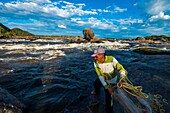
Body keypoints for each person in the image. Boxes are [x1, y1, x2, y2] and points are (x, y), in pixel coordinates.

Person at [91, 47, 127, 113]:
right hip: (102, 78)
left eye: (96, 56)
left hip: (112, 81)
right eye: (94, 57)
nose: (95, 58)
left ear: (102, 55)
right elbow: (99, 75)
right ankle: (97, 92)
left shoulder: (111, 59)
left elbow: (121, 69)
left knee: (109, 99)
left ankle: (109, 111)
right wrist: (107, 87)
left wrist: (123, 79)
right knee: (95, 84)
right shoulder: (95, 62)